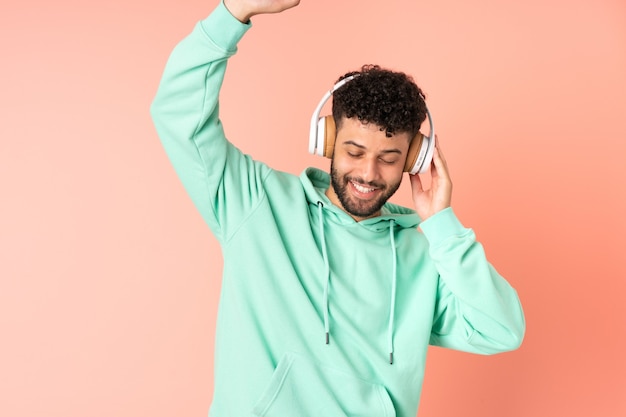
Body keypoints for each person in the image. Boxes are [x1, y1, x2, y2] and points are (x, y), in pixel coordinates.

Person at [150, 0, 526, 416]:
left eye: (388, 157)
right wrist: (234, 12)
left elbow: (501, 330)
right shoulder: (256, 202)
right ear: (326, 142)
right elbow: (178, 115)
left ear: (414, 161)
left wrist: (441, 225)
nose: (368, 172)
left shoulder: (425, 258)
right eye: (354, 150)